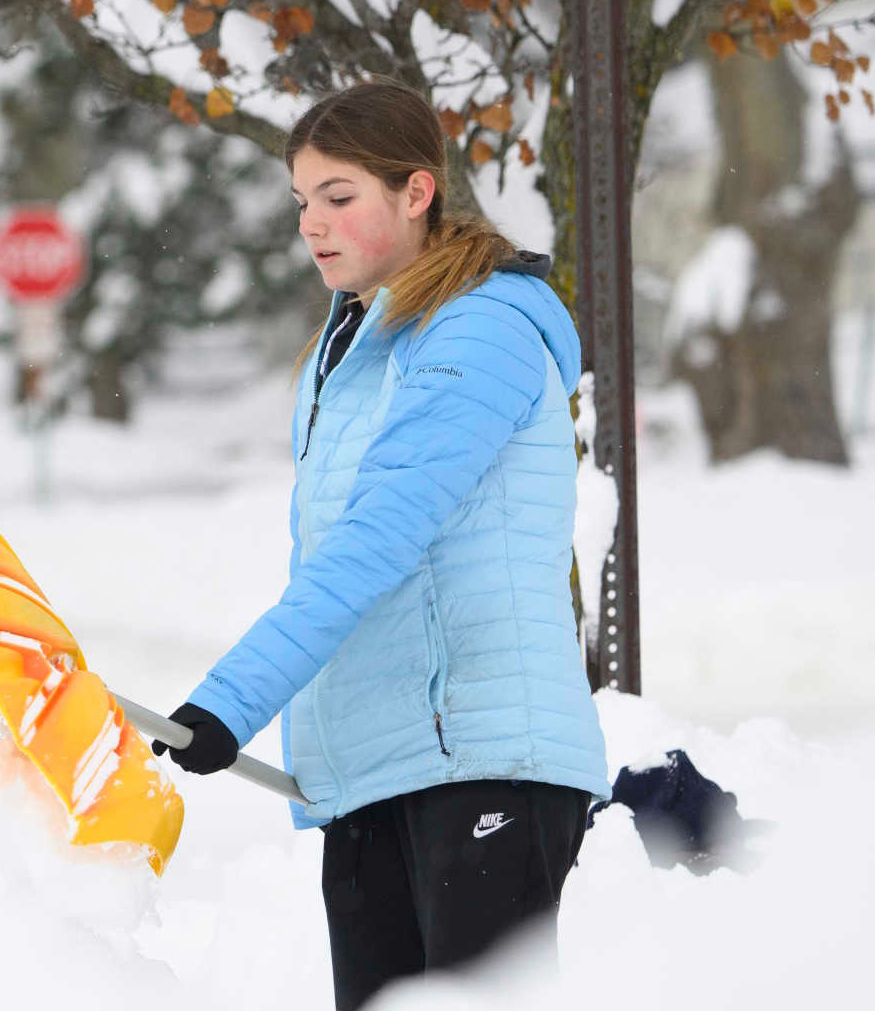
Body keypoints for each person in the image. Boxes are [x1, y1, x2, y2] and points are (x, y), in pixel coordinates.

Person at [150, 80, 610, 1010]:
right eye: (302, 201)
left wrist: (233, 699)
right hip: (374, 773)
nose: (313, 225)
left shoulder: (480, 331)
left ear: (416, 192)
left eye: (339, 196)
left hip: (481, 760)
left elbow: (376, 540)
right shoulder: (352, 349)